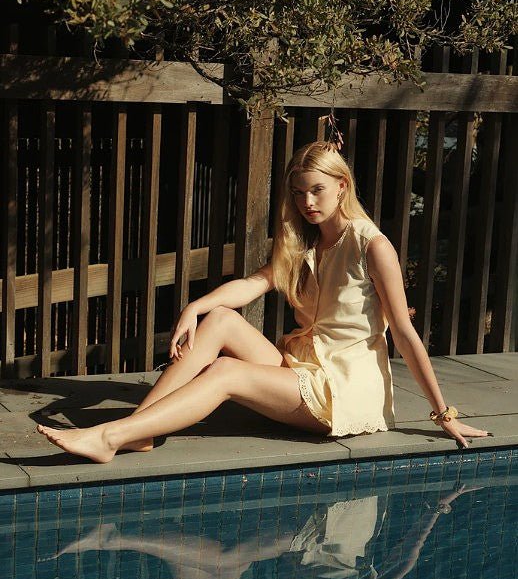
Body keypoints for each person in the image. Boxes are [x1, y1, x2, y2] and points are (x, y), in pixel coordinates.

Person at [37, 142, 490, 462]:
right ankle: (141, 429)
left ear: (342, 186)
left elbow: (405, 335)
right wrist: (194, 308)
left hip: (342, 390)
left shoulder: (372, 245)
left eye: (317, 190)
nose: (307, 201)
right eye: (299, 192)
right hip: (303, 366)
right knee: (219, 317)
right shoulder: (306, 241)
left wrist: (443, 414)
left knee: (225, 371)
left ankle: (110, 437)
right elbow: (252, 284)